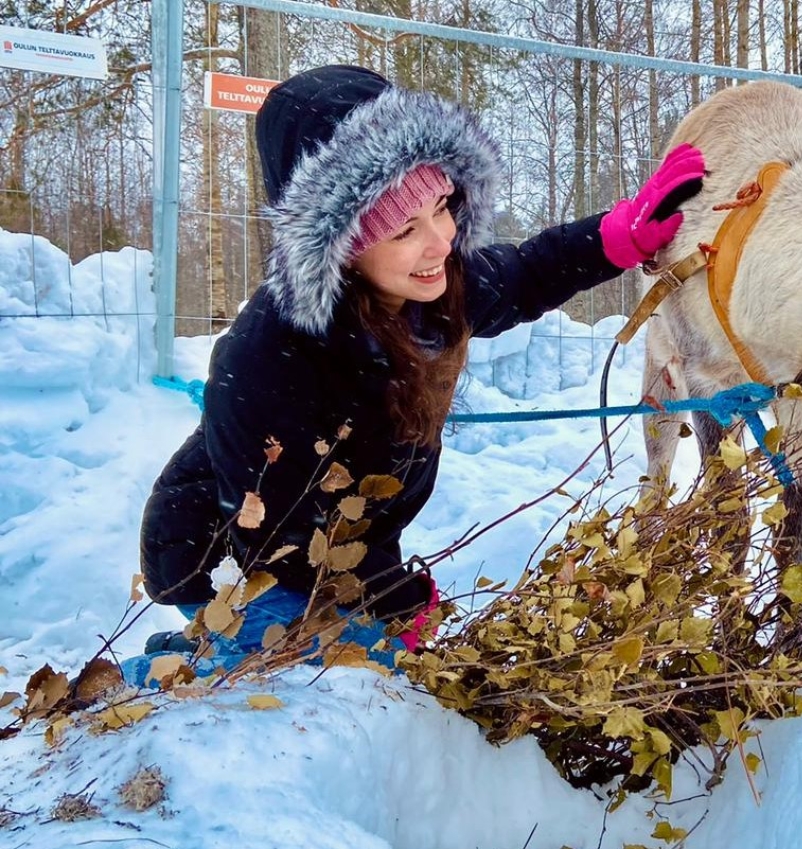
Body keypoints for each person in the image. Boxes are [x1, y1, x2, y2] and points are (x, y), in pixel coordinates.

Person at [125, 64, 704, 684]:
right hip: (232, 557)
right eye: (405, 229)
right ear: (340, 244)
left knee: (374, 658)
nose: (440, 242)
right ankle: (151, 684)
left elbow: (524, 275)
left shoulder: (429, 286)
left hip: (342, 542)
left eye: (442, 207)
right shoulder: (270, 355)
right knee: (329, 679)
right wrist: (394, 598)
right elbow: (285, 535)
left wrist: (618, 236)